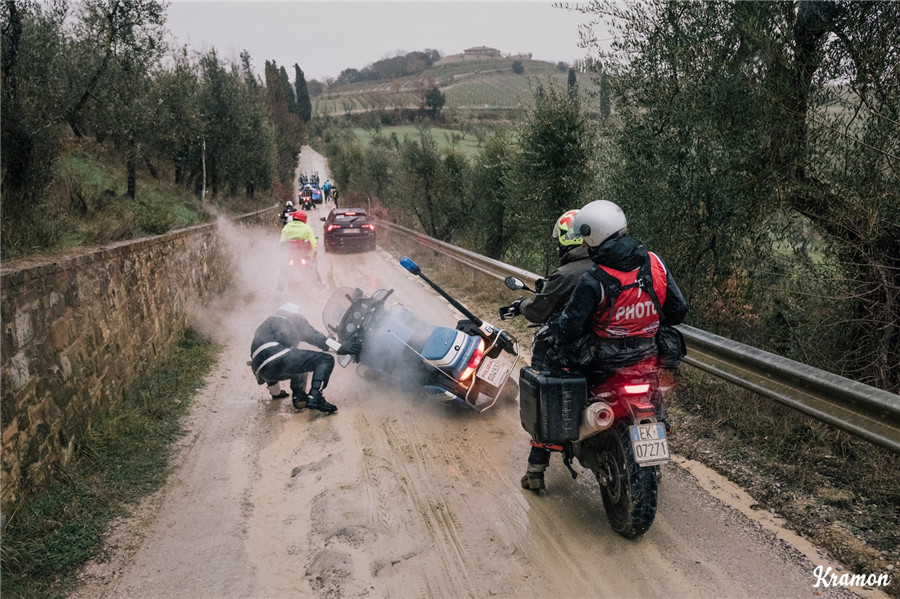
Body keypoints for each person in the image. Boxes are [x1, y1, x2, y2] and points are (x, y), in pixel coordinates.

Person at [520, 199, 688, 491]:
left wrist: (557, 330)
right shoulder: (655, 262)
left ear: (592, 238)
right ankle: (655, 450)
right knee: (654, 391)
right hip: (649, 355)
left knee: (546, 371)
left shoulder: (594, 279)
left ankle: (540, 458)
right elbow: (677, 311)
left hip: (603, 361)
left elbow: (570, 327)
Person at [503, 210, 594, 491]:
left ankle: (536, 468)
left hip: (577, 349)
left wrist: (520, 305)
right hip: (616, 348)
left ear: (565, 241)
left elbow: (538, 310)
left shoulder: (567, 273)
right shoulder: (613, 267)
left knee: (545, 387)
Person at [250, 303, 362, 413]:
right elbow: (317, 338)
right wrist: (341, 348)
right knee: (325, 360)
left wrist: (276, 393)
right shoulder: (293, 318)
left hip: (261, 370)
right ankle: (315, 397)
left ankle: (299, 397)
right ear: (296, 312)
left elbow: (267, 362)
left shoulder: (268, 325)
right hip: (276, 354)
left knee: (301, 362)